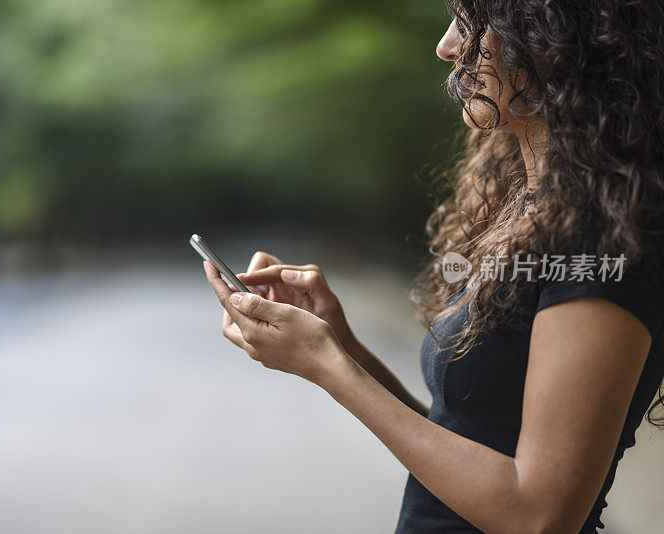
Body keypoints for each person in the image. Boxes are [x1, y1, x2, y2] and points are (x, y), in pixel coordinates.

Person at [202, 1, 664, 532]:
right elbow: (465, 449)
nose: (447, 46)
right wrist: (341, 344)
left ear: (556, 39)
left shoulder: (604, 238)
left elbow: (539, 514)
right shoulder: (533, 208)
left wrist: (325, 364)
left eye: (471, 23)